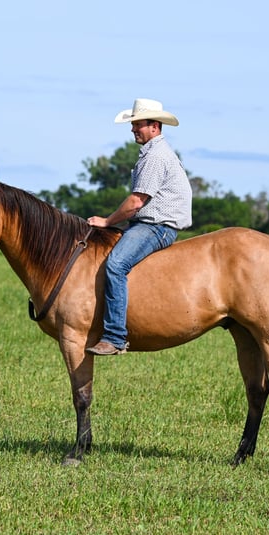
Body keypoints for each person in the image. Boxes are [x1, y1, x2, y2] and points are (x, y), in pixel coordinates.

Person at [86, 98, 193, 355]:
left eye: (138, 125)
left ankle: (114, 336)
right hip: (148, 223)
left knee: (115, 264)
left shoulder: (155, 155)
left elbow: (136, 201)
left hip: (156, 226)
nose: (133, 129)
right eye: (133, 125)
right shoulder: (153, 152)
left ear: (155, 126)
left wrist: (107, 221)